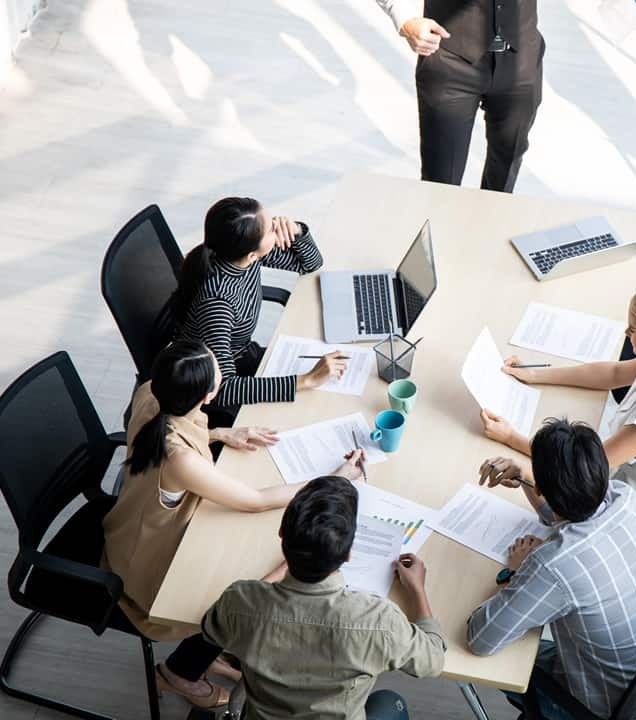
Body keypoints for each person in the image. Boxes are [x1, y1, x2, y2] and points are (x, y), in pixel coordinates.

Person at [101, 340, 365, 709]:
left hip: (132, 527)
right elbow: (254, 501)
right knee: (254, 586)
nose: (220, 364)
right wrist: (335, 480)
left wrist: (219, 434)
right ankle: (180, 673)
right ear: (208, 395)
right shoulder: (179, 459)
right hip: (151, 565)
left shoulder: (150, 392)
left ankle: (211, 654)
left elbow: (171, 436)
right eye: (216, 366)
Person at [479, 282, 636, 563]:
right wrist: (534, 374)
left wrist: (511, 438)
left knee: (554, 513)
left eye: (633, 329)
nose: (626, 333)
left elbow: (578, 471)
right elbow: (611, 374)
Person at [468, 419, 636, 719]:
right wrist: (524, 477)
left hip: (611, 709)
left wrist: (514, 572)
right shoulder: (624, 498)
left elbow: (482, 639)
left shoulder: (552, 565)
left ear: (545, 489)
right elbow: (571, 513)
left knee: (506, 661)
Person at [201, 475, 446, 720]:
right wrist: (417, 590)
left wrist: (277, 573)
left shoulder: (240, 601)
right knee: (390, 702)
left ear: (281, 534)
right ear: (349, 554)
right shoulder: (379, 623)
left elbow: (211, 630)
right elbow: (433, 660)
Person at [172, 196, 346, 425]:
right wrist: (306, 380)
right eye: (272, 229)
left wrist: (297, 230)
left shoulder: (239, 254)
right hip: (222, 385)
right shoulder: (217, 303)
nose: (277, 226)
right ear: (252, 254)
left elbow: (309, 264)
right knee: (310, 408)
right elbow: (223, 389)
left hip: (245, 355)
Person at [375, 0, 545, 193]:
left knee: (505, 176)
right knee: (440, 185)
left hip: (521, 62)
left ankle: (491, 222)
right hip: (450, 62)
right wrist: (405, 19)